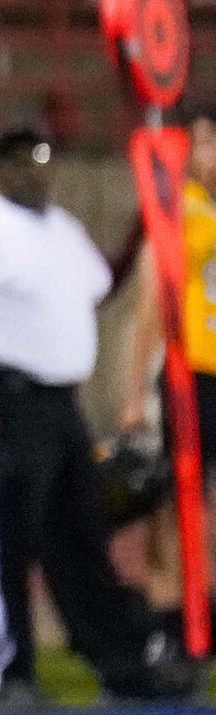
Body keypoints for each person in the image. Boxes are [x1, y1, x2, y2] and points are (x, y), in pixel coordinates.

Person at [0, 123, 188, 709]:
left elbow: (99, 286)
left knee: (80, 541)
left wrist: (146, 224)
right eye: (24, 163)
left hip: (60, 406)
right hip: (5, 400)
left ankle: (120, 667)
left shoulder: (60, 229)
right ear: (1, 168)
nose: (36, 173)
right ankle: (11, 672)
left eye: (44, 161)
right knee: (5, 543)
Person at [121, 105, 216, 640]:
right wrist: (135, 392)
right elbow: (150, 307)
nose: (207, 156)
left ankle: (200, 617)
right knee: (175, 507)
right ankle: (170, 624)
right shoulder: (177, 210)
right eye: (199, 144)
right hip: (189, 377)